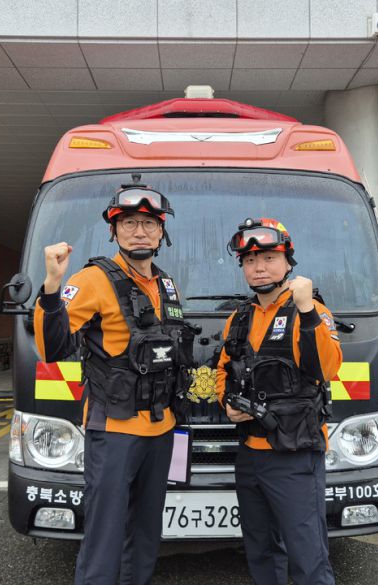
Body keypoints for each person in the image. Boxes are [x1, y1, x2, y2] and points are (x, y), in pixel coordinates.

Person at [34, 183, 193, 585]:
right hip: (115, 429)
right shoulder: (92, 280)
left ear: (161, 232)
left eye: (148, 224)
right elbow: (53, 347)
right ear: (113, 231)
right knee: (105, 536)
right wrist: (52, 287)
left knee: (146, 533)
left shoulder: (167, 285)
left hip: (162, 429)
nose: (139, 232)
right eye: (129, 224)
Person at [215, 217, 342, 585]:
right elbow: (223, 369)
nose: (259, 267)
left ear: (288, 262)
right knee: (261, 551)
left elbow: (327, 368)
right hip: (250, 455)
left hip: (295, 455)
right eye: (250, 260)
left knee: (308, 557)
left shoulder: (312, 312)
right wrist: (227, 403)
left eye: (269, 258)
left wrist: (307, 312)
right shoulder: (238, 318)